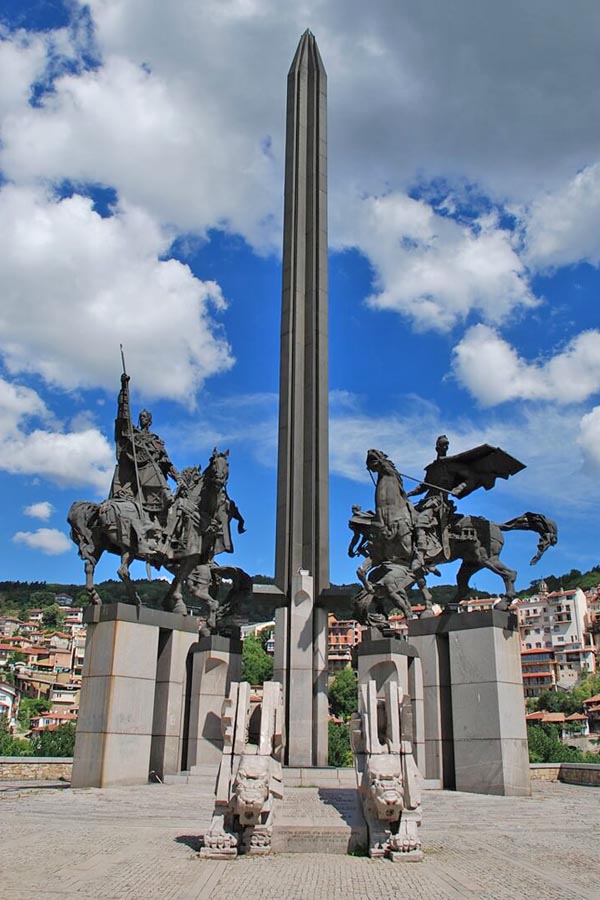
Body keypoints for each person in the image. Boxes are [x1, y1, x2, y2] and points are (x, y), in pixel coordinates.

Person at [110, 373, 179, 526]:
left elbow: (167, 463)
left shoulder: (155, 440)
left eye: (145, 417)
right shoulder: (134, 435)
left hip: (153, 480)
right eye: (140, 416)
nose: (142, 418)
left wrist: (179, 479)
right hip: (137, 476)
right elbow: (123, 418)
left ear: (150, 421)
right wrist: (124, 389)